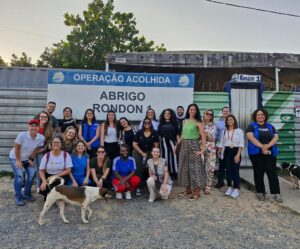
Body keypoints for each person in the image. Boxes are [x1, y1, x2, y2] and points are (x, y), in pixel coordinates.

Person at [246, 108, 282, 202]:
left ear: (265, 116)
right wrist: (262, 147)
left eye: (262, 114)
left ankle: (276, 193)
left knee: (272, 173)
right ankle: (260, 192)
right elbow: (250, 137)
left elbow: (276, 137)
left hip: (270, 153)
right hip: (256, 153)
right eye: (258, 115)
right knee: (258, 172)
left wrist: (268, 146)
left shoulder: (270, 126)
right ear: (255, 116)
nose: (260, 116)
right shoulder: (251, 126)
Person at [9, 119, 45, 206]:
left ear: (38, 127)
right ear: (28, 127)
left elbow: (38, 148)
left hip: (27, 158)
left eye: (36, 126)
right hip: (15, 157)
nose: (33, 128)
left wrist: (31, 159)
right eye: (31, 126)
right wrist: (18, 160)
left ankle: (27, 193)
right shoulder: (22, 135)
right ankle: (19, 197)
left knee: (32, 175)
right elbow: (16, 148)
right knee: (19, 176)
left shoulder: (41, 137)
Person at [175, 104, 206, 200]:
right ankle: (188, 190)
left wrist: (202, 149)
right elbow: (183, 135)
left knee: (195, 169)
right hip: (184, 145)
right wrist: (176, 145)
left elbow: (203, 136)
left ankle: (196, 193)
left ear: (196, 111)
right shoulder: (184, 121)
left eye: (194, 110)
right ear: (188, 111)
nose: (192, 111)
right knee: (184, 167)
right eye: (191, 109)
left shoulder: (198, 122)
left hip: (194, 145)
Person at [218, 114, 244, 198]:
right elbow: (221, 143)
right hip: (227, 151)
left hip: (236, 151)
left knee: (235, 170)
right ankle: (229, 186)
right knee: (228, 170)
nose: (230, 121)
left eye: (231, 119)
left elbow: (241, 143)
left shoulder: (239, 131)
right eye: (228, 120)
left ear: (234, 121)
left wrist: (238, 155)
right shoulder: (224, 131)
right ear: (226, 121)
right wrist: (220, 151)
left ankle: (236, 188)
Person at [133, 118, 159, 194]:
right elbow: (134, 144)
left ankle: (154, 187)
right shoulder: (139, 132)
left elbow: (156, 145)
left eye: (148, 123)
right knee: (138, 168)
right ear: (143, 124)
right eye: (145, 123)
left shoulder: (154, 132)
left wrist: (153, 154)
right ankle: (138, 187)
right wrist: (142, 153)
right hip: (138, 151)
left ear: (151, 124)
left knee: (153, 167)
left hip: (150, 152)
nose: (147, 124)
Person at [158, 108, 180, 180]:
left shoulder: (175, 123)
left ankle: (174, 174)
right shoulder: (160, 123)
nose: (167, 115)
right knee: (164, 158)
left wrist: (178, 144)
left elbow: (177, 134)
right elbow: (159, 135)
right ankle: (165, 173)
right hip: (163, 143)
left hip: (172, 143)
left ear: (171, 115)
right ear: (163, 115)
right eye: (165, 113)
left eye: (168, 113)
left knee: (173, 158)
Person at [35, 111, 54, 193]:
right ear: (38, 117)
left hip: (42, 152)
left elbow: (49, 141)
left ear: (48, 118)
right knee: (31, 169)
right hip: (32, 151)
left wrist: (44, 148)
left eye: (45, 117)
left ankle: (39, 186)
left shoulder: (50, 128)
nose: (43, 118)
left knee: (40, 169)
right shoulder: (34, 126)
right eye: (41, 116)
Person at [215, 106, 230, 189]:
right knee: (221, 165)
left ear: (229, 112)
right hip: (221, 146)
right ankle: (220, 182)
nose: (225, 112)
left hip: (230, 145)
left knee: (229, 165)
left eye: (227, 111)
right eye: (224, 111)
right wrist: (215, 145)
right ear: (222, 112)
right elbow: (216, 135)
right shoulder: (218, 123)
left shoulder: (232, 121)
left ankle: (229, 183)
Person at [203, 109, 217, 194]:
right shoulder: (200, 124)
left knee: (210, 167)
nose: (208, 115)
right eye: (207, 113)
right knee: (201, 167)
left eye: (210, 114)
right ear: (204, 114)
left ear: (212, 116)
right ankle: (201, 183)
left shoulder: (214, 126)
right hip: (201, 148)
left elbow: (213, 138)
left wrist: (204, 136)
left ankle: (208, 185)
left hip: (211, 148)